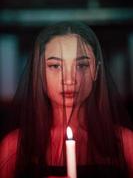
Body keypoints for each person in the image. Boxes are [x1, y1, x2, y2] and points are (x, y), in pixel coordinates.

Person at [0, 21, 133, 178]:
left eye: (81, 65)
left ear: (96, 71)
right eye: (56, 66)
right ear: (39, 72)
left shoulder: (125, 143)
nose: (69, 80)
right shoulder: (14, 146)